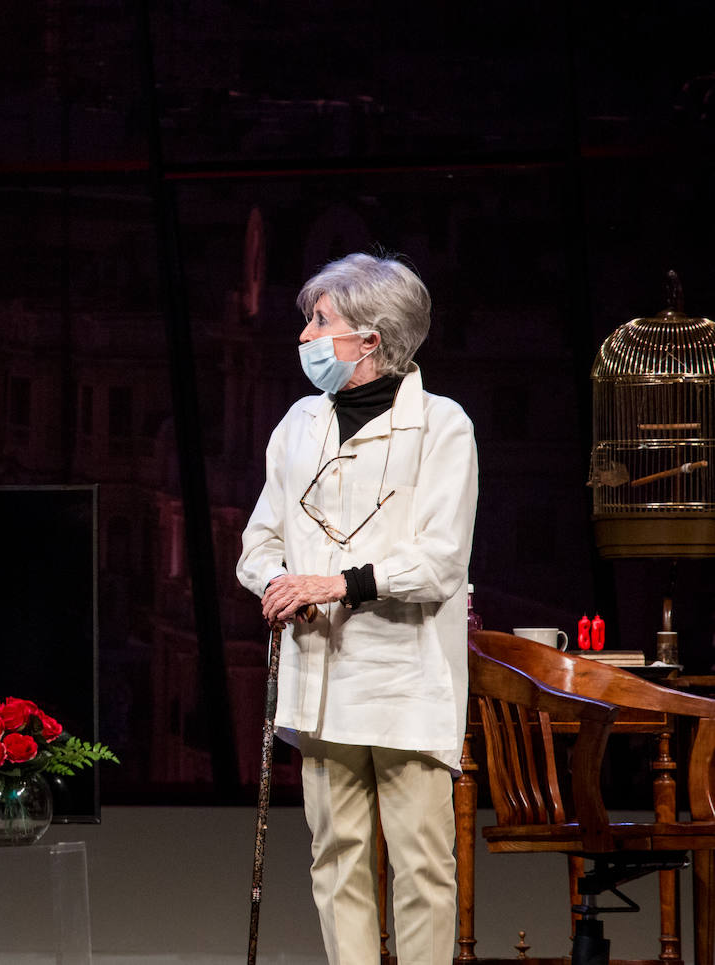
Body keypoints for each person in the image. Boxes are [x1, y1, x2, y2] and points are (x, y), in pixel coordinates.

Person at [236, 252, 477, 965]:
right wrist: (281, 583)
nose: (306, 335)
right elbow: (258, 545)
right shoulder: (298, 425)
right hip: (322, 682)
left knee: (421, 867)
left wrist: (334, 583)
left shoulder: (442, 426)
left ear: (370, 338)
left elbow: (441, 560)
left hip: (404, 681)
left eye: (320, 321)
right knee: (336, 859)